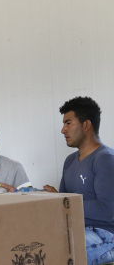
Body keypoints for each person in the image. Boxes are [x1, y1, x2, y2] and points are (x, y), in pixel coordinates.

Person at [43, 97, 114, 265]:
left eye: (68, 123)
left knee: (58, 257)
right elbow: (64, 204)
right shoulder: (70, 161)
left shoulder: (105, 159)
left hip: (105, 235)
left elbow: (107, 210)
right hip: (72, 230)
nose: (63, 130)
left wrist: (64, 200)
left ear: (86, 125)